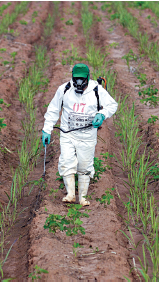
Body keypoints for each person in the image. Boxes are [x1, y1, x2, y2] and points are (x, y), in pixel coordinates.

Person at [42, 63, 118, 206]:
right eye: (76, 78)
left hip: (87, 135)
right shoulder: (64, 89)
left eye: (82, 79)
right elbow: (53, 109)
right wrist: (47, 129)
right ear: (72, 77)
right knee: (66, 161)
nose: (79, 82)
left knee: (84, 165)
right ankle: (70, 194)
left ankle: (82, 197)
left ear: (87, 78)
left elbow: (112, 105)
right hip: (68, 134)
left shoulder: (96, 90)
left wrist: (102, 115)